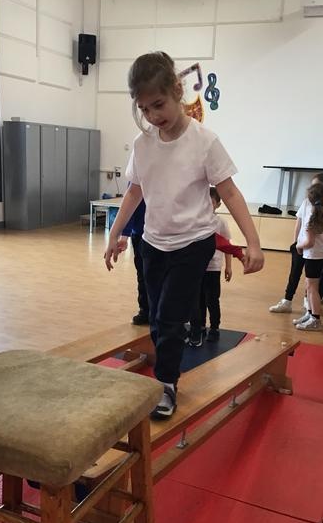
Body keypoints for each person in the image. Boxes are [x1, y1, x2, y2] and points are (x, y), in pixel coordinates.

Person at [104, 51, 263, 420]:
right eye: (143, 108)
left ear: (177, 91)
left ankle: (166, 382)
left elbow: (230, 193)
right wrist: (115, 233)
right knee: (157, 317)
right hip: (152, 243)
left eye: (158, 104)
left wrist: (253, 243)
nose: (152, 115)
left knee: (170, 316)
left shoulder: (204, 141)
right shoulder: (143, 144)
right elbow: (133, 192)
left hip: (194, 242)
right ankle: (166, 367)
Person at [269, 172, 323, 314]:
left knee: (311, 279)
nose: (312, 189)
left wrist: (305, 244)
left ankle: (309, 304)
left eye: (316, 186)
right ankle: (287, 301)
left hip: (313, 249)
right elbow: (299, 222)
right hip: (301, 245)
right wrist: (296, 243)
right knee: (294, 273)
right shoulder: (306, 202)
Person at [188, 187, 233, 346]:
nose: (207, 205)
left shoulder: (220, 222)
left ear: (218, 204)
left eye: (211, 202)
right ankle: (200, 325)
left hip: (213, 267)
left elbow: (227, 245)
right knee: (198, 298)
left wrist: (228, 266)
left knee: (212, 299)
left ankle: (214, 328)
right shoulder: (195, 220)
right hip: (197, 267)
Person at [293, 182, 323, 331]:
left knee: (312, 288)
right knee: (310, 284)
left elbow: (309, 242)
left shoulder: (313, 214)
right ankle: (310, 313)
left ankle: (315, 319)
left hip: (312, 254)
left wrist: (298, 246)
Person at [118, 199, 149, 325]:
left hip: (161, 235)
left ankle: (161, 312)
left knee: (161, 276)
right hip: (140, 234)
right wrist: (124, 236)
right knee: (142, 274)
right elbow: (130, 207)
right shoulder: (137, 186)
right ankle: (145, 311)